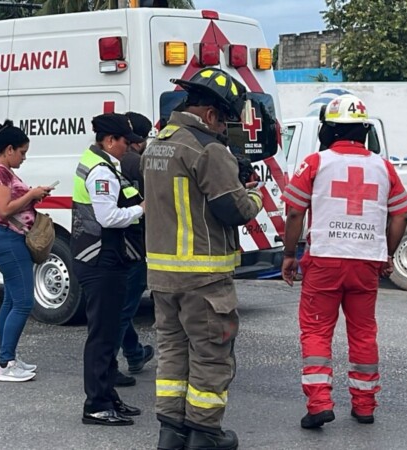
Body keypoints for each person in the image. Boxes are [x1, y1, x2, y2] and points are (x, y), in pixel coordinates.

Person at [142, 68, 263, 450]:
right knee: (211, 356)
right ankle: (206, 435)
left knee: (173, 355)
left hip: (162, 276)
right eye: (225, 120)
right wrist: (256, 196)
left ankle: (171, 432)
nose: (226, 129)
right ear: (210, 114)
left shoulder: (157, 144)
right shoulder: (208, 149)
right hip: (203, 277)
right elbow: (235, 210)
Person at [281, 94, 407, 428]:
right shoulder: (383, 166)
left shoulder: (315, 162)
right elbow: (400, 215)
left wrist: (287, 255)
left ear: (329, 131)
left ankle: (319, 404)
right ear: (364, 131)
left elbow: (295, 211)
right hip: (366, 261)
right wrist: (388, 253)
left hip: (324, 259)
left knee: (316, 331)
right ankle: (364, 406)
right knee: (363, 333)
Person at [73, 113, 145, 426]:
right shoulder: (100, 171)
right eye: (125, 142)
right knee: (102, 336)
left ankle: (108, 396)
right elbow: (108, 217)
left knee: (109, 331)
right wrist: (142, 209)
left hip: (103, 258)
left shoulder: (99, 162)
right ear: (109, 141)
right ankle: (96, 405)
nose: (128, 148)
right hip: (100, 259)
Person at [0, 120, 55, 382]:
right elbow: (4, 210)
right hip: (7, 240)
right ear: (9, 149)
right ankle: (5, 363)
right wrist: (31, 194)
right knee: (24, 302)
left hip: (8, 239)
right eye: (22, 152)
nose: (24, 158)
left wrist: (32, 196)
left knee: (11, 301)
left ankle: (8, 356)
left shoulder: (4, 171)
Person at [112, 111, 155, 388]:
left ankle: (134, 352)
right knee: (124, 307)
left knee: (121, 305)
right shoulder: (138, 163)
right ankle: (109, 365)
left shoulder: (114, 162)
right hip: (133, 244)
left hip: (118, 244)